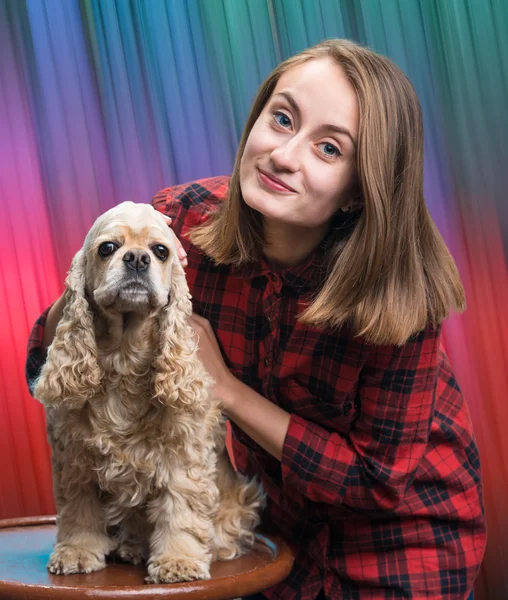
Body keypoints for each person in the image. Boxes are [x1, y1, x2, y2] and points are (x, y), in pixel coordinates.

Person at [26, 39, 486, 599]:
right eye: (283, 118)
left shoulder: (403, 293)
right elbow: (43, 354)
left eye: (329, 149)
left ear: (359, 193)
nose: (285, 155)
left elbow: (376, 482)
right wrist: (90, 285)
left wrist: (227, 390)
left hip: (401, 544)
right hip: (264, 524)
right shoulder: (180, 224)